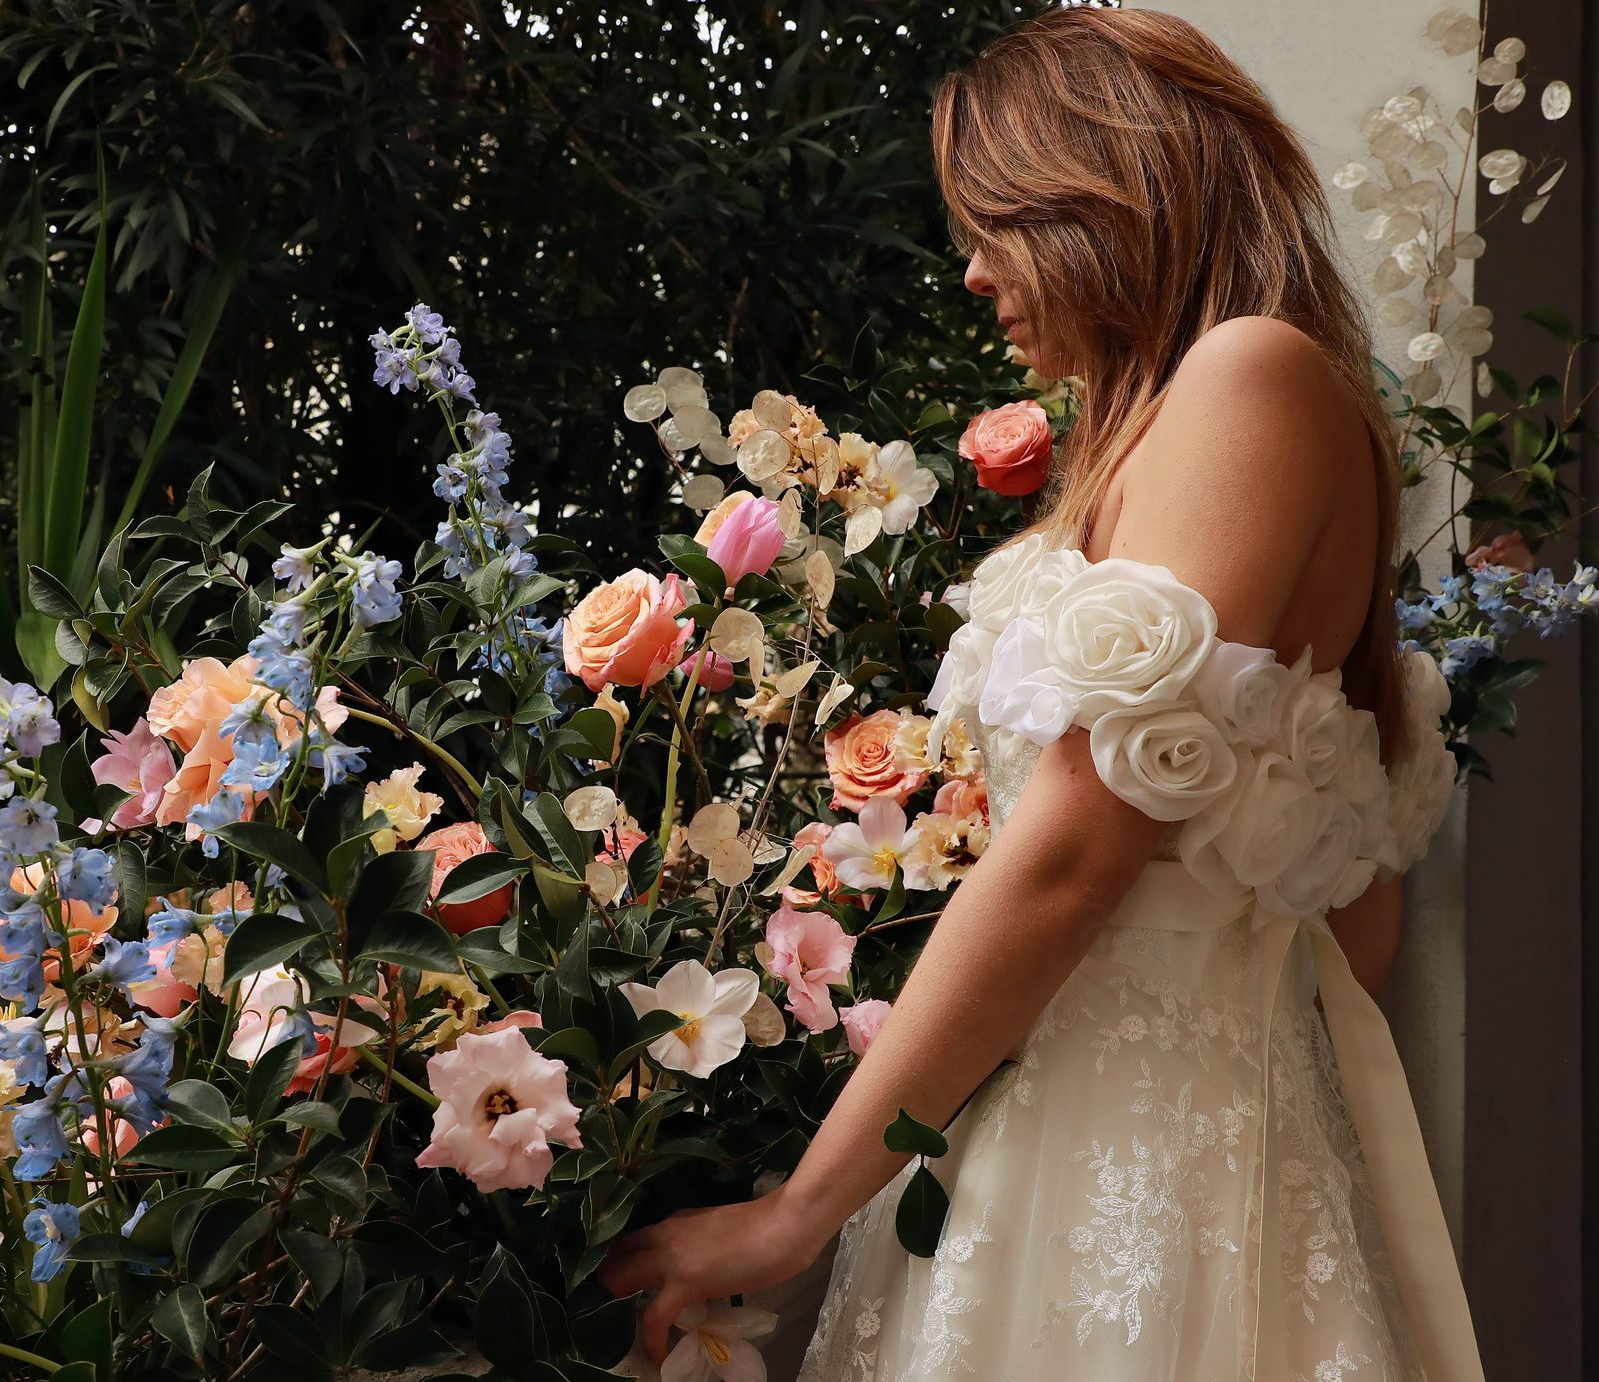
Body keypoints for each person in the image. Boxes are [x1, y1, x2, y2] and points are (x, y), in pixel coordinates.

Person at [597, 9, 1482, 1380]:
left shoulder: (1248, 376)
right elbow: (1349, 924)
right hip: (1123, 1147)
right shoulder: (1209, 418)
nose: (970, 274)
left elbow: (1074, 849)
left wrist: (789, 1218)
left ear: (1099, 199)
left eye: (992, 223)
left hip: (1123, 1159)